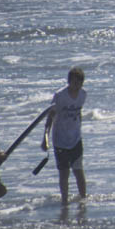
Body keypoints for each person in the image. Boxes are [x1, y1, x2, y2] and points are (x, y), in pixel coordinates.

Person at [40, 67, 87, 205]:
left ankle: (83, 200)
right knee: (64, 173)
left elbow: (79, 113)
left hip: (76, 139)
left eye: (80, 83)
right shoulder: (60, 96)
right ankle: (64, 202)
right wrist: (45, 137)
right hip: (60, 140)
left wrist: (79, 128)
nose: (77, 86)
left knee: (78, 171)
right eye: (75, 82)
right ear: (69, 82)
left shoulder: (83, 94)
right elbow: (50, 117)